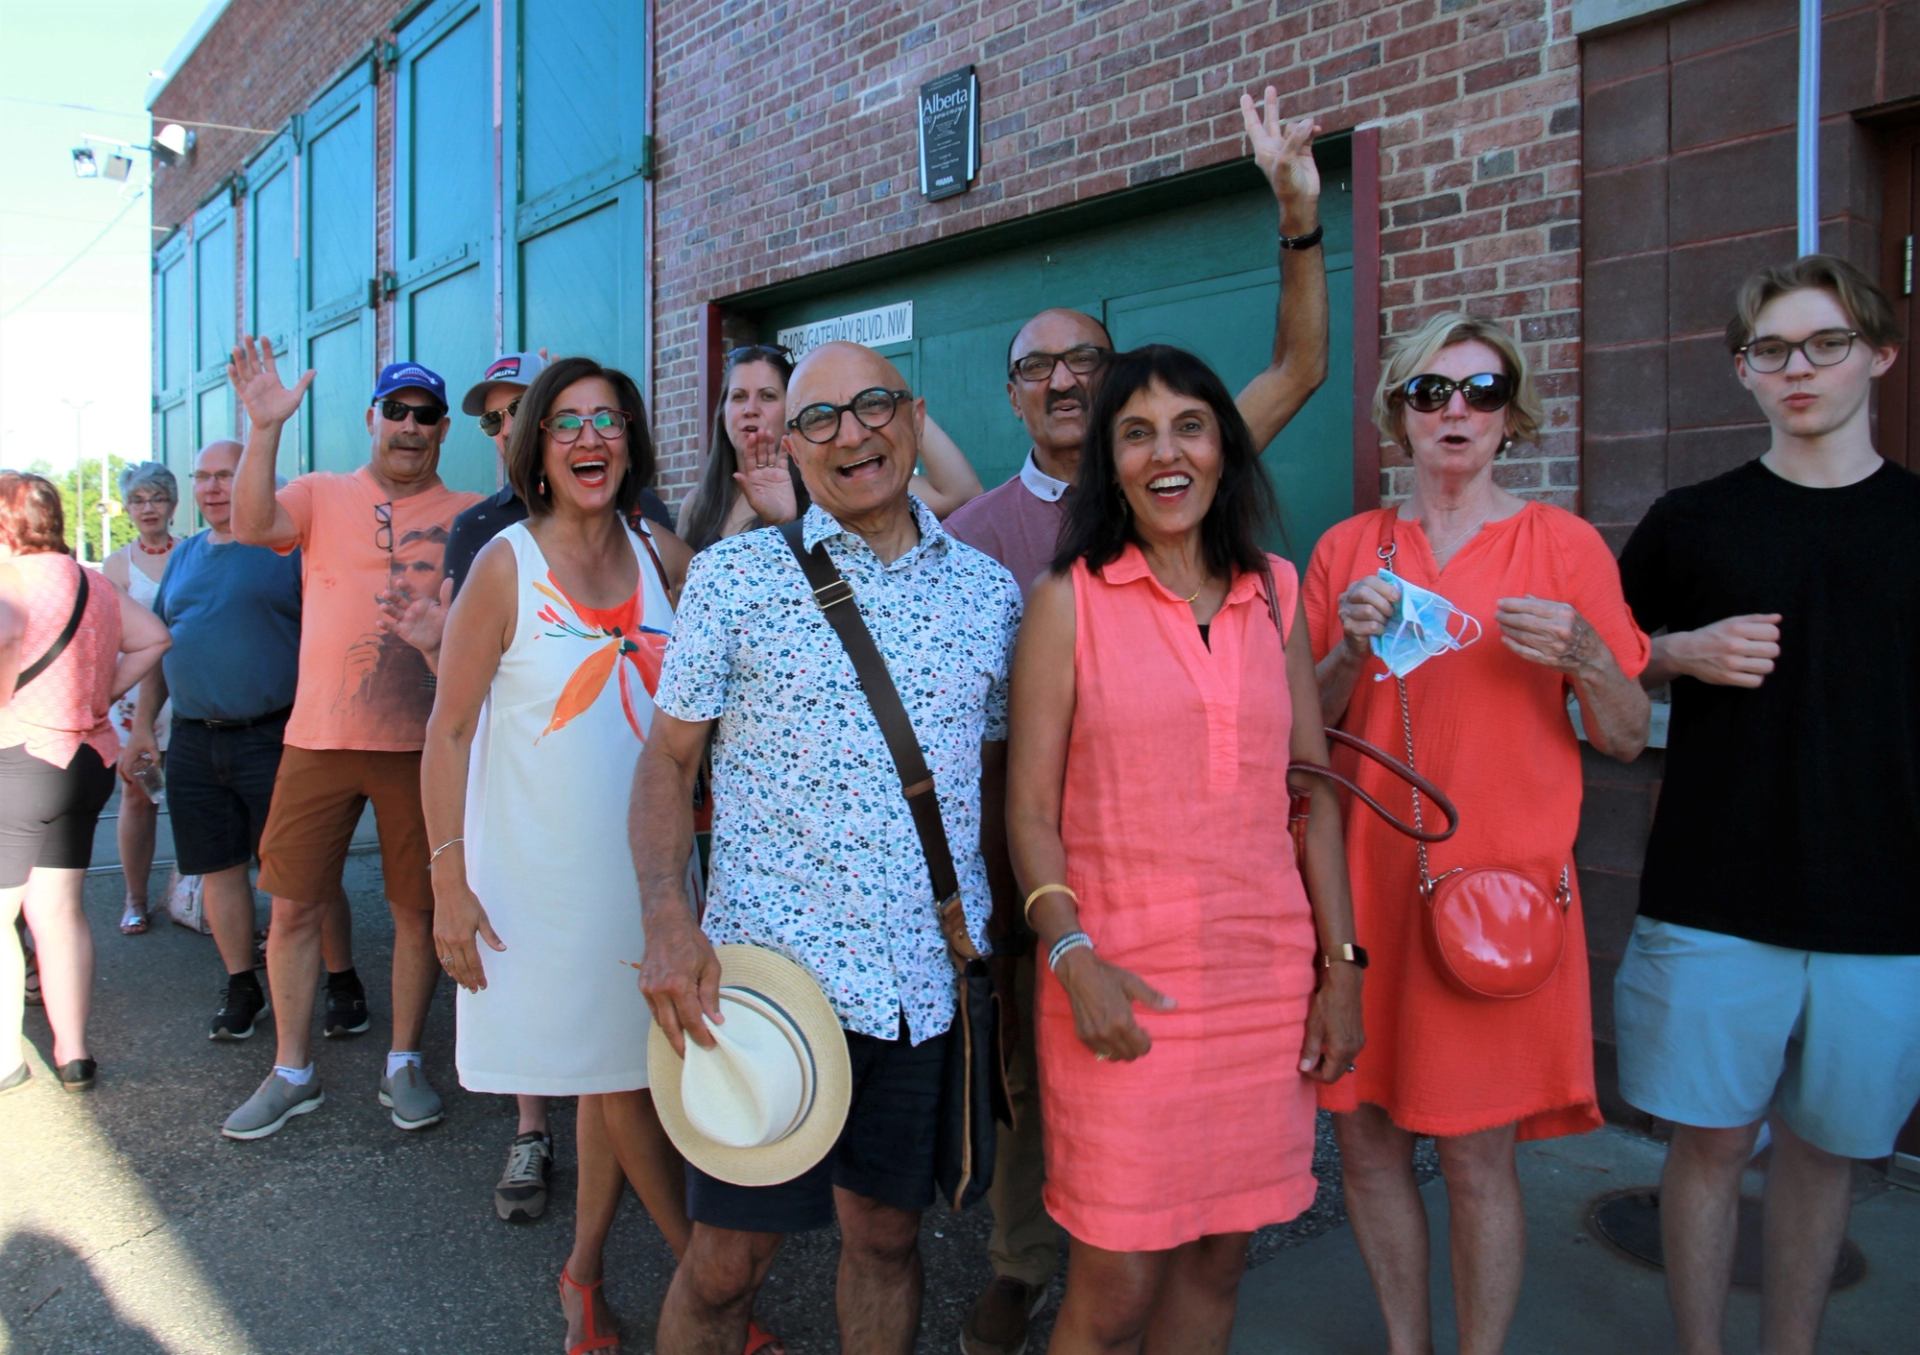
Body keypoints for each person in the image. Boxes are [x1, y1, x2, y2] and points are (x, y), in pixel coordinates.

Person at [945, 85, 1333, 1355]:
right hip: (1075, 899)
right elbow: (1012, 778)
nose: (1066, 380)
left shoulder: (1232, 541)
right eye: (1039, 368)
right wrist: (1048, 935)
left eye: (1086, 362)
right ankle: (1016, 1266)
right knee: (1085, 1225)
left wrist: (1296, 216)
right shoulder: (1000, 549)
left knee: (1212, 1259)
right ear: (1021, 397)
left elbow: (1301, 366)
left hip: (1243, 952)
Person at [632, 341, 1022, 1354]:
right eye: (820, 419)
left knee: (886, 1239)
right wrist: (667, 918)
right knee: (727, 1261)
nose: (853, 434)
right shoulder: (733, 578)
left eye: (874, 405)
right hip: (766, 991)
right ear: (792, 448)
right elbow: (667, 762)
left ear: (915, 416)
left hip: (917, 987)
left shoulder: (988, 595)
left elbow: (992, 786)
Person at [1303, 312, 1650, 1355]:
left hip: (1499, 899)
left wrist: (1589, 655)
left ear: (1511, 415)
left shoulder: (1563, 546)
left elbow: (1625, 734)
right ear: (1398, 413)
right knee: (1366, 1142)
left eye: (1482, 390)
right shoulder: (1347, 549)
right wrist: (1350, 650)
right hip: (1366, 890)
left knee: (1476, 1155)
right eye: (1431, 390)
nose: (1456, 409)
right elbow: (1303, 730)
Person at [1003, 344, 1361, 1353]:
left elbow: (1310, 791)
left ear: (1224, 449)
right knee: (1114, 1288)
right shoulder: (1068, 598)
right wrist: (1073, 957)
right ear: (1109, 464)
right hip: (1117, 985)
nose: (1167, 453)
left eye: (1190, 426)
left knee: (1217, 1262)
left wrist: (1342, 968)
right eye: (1137, 433)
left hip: (1262, 985)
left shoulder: (1276, 590)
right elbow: (1029, 813)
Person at [422, 357, 770, 1353]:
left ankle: (582, 1278)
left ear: (631, 441)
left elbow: (745, 625)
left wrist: (769, 499)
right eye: (567, 422)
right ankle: (714, 1293)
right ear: (536, 446)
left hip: (648, 873)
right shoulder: (504, 564)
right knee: (624, 1084)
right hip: (543, 883)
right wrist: (448, 880)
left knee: (608, 1070)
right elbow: (447, 731)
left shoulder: (661, 551)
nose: (589, 438)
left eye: (608, 421)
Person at [1614, 255, 1920, 1355]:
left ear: (1879, 354)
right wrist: (1679, 651)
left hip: (1883, 904)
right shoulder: (1692, 521)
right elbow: (1603, 661)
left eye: (1826, 343)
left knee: (1827, 1152)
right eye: (1772, 350)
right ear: (1743, 372)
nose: (1800, 368)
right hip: (1715, 892)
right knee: (1708, 1142)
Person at [220, 338, 480, 1140]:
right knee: (293, 907)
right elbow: (251, 523)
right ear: (372, 419)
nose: (410, 426)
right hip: (318, 738)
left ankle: (403, 1060)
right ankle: (291, 1070)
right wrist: (264, 427)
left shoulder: (471, 515)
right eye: (396, 411)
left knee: (416, 911)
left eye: (425, 416)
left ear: (443, 430)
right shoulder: (320, 492)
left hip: (422, 744)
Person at [119, 440, 354, 1043]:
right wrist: (144, 725)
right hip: (195, 740)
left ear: (258, 481)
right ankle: (242, 983)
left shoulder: (288, 550)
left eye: (227, 475)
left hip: (275, 735)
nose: (213, 488)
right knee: (218, 869)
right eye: (203, 477)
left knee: (305, 870)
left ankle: (341, 978)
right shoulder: (185, 556)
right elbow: (163, 646)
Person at [1, 472, 170, 1094]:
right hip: (84, 761)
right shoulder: (91, 581)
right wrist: (101, 694)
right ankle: (73, 1053)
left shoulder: (9, 579)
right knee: (59, 909)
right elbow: (155, 638)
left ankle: (5, 1058)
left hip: (18, 759)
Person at [677, 342, 983, 553]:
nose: (750, 409)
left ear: (795, 412)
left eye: (768, 396)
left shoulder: (834, 484)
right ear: (722, 412)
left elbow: (961, 492)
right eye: (739, 397)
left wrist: (898, 400)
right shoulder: (697, 503)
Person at [102, 460, 182, 935]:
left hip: (188, 691)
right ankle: (135, 899)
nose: (148, 508)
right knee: (138, 795)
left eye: (157, 498)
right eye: (138, 500)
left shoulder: (192, 552)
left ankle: (196, 894)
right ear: (127, 508)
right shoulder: (117, 565)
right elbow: (110, 636)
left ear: (173, 503)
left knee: (195, 797)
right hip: (137, 700)